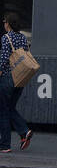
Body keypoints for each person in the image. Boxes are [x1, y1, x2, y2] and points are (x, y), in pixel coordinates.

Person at [0, 13, 33, 154]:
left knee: (3, 111)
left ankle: (5, 144)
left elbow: (3, 59)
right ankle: (24, 132)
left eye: (5, 21)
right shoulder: (23, 38)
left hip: (7, 78)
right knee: (10, 108)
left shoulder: (6, 38)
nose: (4, 24)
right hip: (20, 78)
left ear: (8, 24)